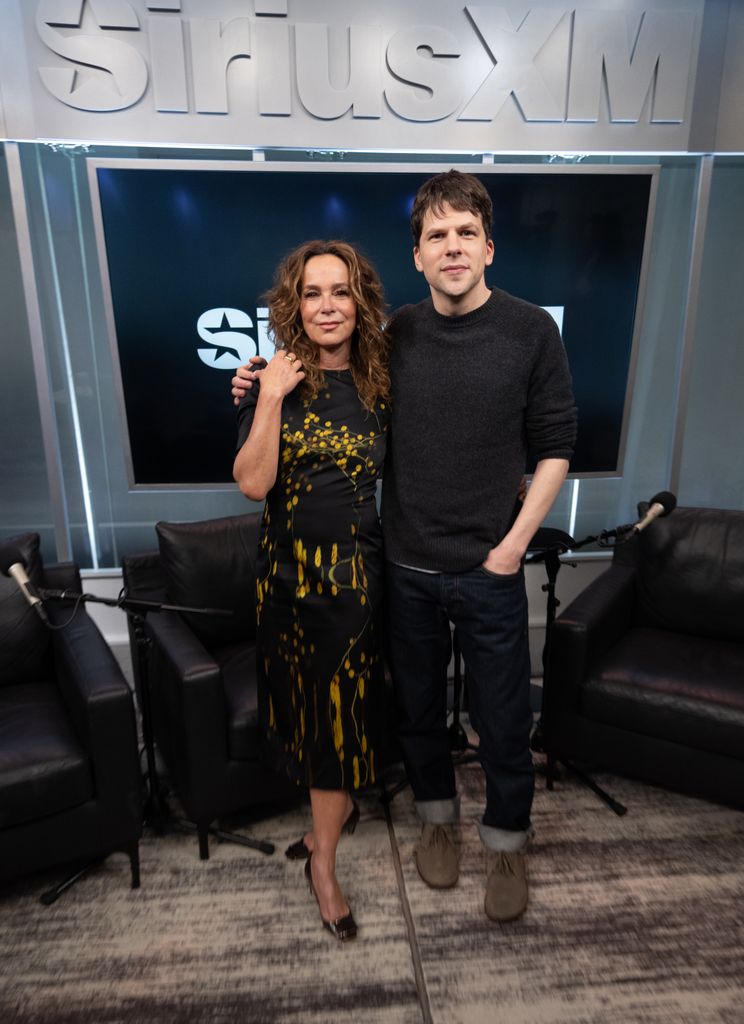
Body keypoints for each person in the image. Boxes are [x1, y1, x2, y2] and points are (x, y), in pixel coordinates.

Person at [234, 170, 576, 924]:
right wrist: (255, 383)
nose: (451, 248)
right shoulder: (395, 341)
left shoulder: (530, 332)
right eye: (435, 237)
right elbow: (300, 412)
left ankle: (508, 842)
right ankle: (435, 824)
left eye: (464, 234)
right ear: (416, 257)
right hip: (403, 569)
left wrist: (514, 545)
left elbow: (554, 447)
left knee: (504, 719)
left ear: (488, 245)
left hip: (487, 569)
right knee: (418, 714)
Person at [233, 239, 390, 942]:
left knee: (339, 724)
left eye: (341, 291)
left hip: (351, 585)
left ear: (360, 303)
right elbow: (253, 483)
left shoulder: (384, 383)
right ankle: (332, 816)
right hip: (282, 582)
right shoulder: (272, 378)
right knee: (299, 713)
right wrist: (266, 395)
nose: (328, 306)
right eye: (313, 293)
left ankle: (322, 862)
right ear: (294, 305)